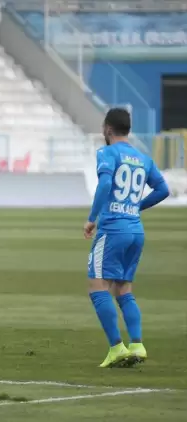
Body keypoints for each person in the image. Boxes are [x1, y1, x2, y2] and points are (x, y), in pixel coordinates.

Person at [84, 108, 169, 368]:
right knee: (123, 288)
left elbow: (106, 185)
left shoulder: (107, 153)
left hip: (112, 230)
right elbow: (163, 189)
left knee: (97, 287)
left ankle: (116, 347)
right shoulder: (143, 158)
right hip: (135, 230)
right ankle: (137, 344)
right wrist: (135, 206)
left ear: (108, 129)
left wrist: (92, 218)